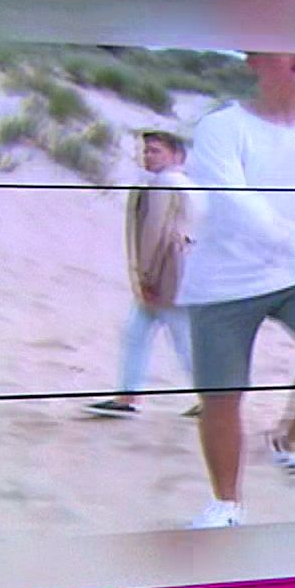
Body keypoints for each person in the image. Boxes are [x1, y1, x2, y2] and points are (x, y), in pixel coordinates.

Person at [177, 51, 295, 529]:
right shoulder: (222, 127)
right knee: (222, 396)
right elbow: (234, 204)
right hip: (225, 280)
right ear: (255, 60)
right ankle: (226, 505)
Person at [87, 131, 201, 420]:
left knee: (177, 339)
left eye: (155, 150)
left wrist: (146, 277)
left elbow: (154, 233)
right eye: (146, 150)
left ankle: (213, 398)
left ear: (177, 155)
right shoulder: (188, 185)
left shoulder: (165, 184)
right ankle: (128, 395)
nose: (147, 156)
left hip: (167, 275)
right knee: (138, 334)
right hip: (182, 272)